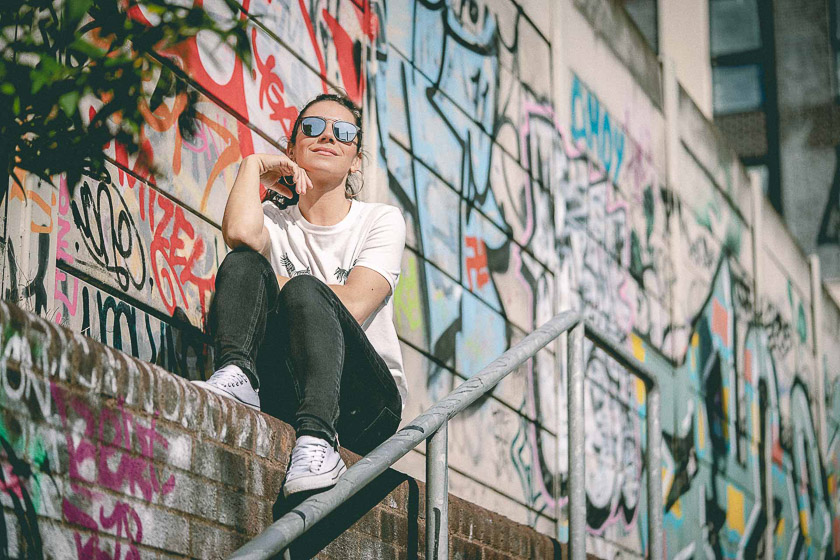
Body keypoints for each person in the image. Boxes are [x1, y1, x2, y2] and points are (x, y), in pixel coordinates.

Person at [193, 93, 407, 497]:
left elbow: (356, 304)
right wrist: (252, 166)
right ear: (290, 148)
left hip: (365, 403)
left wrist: (286, 289)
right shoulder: (274, 222)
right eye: (312, 128)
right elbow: (240, 235)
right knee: (244, 262)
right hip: (289, 387)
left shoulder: (380, 220)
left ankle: (320, 439)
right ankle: (237, 375)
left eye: (343, 132)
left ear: (355, 158)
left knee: (306, 291)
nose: (327, 136)